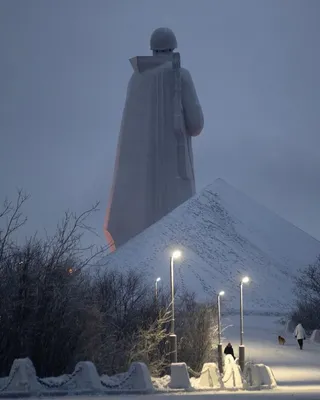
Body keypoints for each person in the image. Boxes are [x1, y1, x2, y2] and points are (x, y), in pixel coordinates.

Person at [104, 27, 204, 249]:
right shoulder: (180, 75)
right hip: (174, 175)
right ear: (173, 47)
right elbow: (196, 125)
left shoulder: (136, 79)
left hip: (139, 185)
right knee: (175, 233)